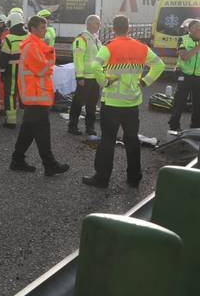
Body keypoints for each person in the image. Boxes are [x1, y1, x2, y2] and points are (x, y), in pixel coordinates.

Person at [83, 15, 165, 188]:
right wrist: (145, 81)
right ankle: (134, 178)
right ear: (129, 29)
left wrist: (105, 81)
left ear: (113, 29)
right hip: (132, 103)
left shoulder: (109, 47)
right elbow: (160, 65)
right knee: (132, 140)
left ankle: (102, 179)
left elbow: (95, 66)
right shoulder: (141, 48)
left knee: (107, 140)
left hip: (112, 104)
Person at [9, 15, 69, 175]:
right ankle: (50, 165)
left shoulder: (35, 45)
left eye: (46, 27)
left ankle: (18, 159)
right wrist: (50, 55)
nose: (45, 30)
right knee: (43, 131)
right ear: (33, 29)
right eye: (42, 27)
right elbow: (44, 69)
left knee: (28, 130)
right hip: (36, 95)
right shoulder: (33, 46)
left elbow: (45, 66)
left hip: (35, 95)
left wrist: (48, 55)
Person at [68, 15, 102, 136]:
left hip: (95, 77)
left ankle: (90, 128)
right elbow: (78, 59)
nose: (99, 26)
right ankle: (72, 126)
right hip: (85, 78)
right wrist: (79, 76)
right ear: (89, 24)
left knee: (92, 104)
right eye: (96, 23)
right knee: (78, 102)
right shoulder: (82, 39)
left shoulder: (95, 39)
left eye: (99, 23)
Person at [168, 19, 200, 136]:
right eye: (196, 28)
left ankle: (195, 128)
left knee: (198, 104)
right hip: (185, 75)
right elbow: (184, 56)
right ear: (189, 30)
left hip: (198, 77)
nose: (198, 30)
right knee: (179, 101)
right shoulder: (183, 39)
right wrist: (197, 47)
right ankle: (174, 126)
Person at [0, 12, 28, 128]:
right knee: (24, 94)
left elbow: (3, 57)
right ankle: (26, 120)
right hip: (26, 70)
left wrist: (2, 71)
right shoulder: (29, 36)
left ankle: (11, 120)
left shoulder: (9, 38)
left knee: (11, 94)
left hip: (12, 70)